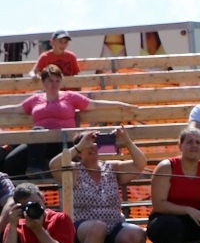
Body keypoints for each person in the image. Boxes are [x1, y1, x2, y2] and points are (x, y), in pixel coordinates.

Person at [48, 128, 149, 243]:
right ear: (80, 151)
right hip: (82, 228)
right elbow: (53, 165)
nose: (93, 146)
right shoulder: (73, 170)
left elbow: (140, 164)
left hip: (114, 225)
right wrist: (78, 147)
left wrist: (128, 143)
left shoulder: (111, 168)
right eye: (88, 144)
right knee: (98, 227)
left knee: (138, 234)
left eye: (95, 143)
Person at [0, 65, 138, 178]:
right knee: (11, 161)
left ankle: (36, 169)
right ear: (43, 82)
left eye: (57, 80)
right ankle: (27, 188)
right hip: (39, 144)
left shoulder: (70, 97)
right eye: (50, 81)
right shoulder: (35, 99)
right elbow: (15, 109)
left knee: (37, 132)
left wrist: (120, 105)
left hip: (63, 143)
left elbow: (94, 104)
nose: (54, 84)